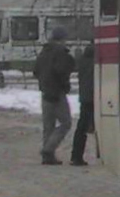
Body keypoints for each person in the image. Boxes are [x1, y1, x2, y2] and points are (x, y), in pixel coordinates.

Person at [34, 28, 76, 165]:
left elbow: (36, 71)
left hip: (45, 93)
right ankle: (48, 149)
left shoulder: (43, 52)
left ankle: (48, 157)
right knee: (66, 123)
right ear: (62, 39)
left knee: (48, 126)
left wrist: (43, 83)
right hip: (57, 93)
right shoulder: (61, 53)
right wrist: (65, 85)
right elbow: (62, 71)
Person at [69, 43, 95, 167]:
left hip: (85, 97)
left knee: (82, 127)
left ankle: (76, 156)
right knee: (87, 126)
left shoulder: (84, 61)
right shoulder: (95, 62)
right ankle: (77, 157)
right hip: (93, 97)